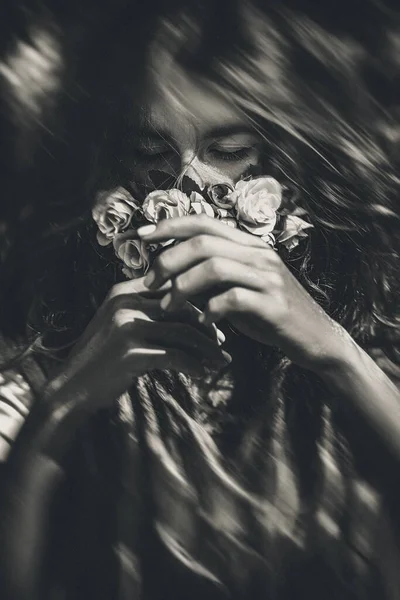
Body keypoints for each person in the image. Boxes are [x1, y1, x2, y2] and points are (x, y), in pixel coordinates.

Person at [1, 1, 400, 599]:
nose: (190, 186)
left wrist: (340, 356)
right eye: (154, 153)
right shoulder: (51, 335)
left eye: (230, 150)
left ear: (287, 156)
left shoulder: (375, 314)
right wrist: (62, 408)